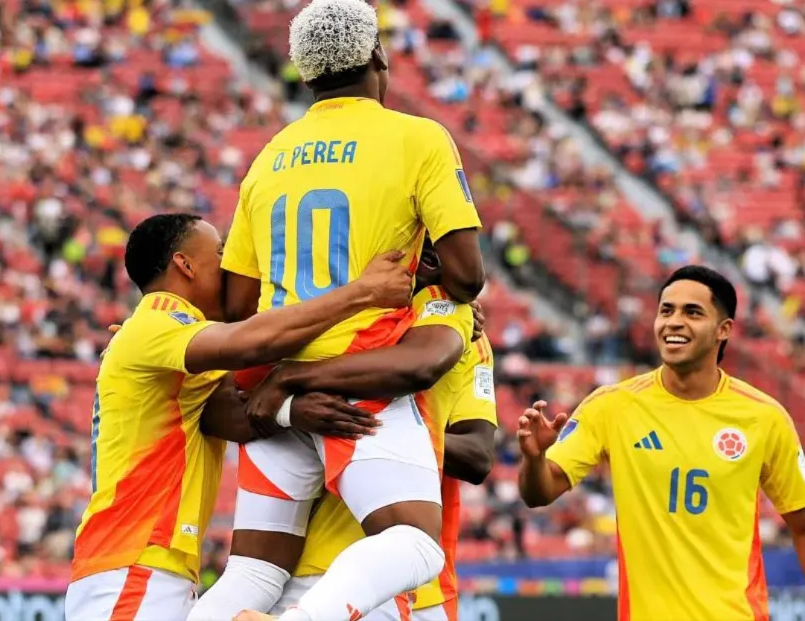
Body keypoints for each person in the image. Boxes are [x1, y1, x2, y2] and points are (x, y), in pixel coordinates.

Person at [210, 0, 485, 617]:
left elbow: (234, 306)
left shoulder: (268, 157)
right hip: (364, 376)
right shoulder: (417, 137)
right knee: (415, 545)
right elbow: (468, 276)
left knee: (252, 574)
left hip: (274, 392)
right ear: (378, 56)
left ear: (306, 76)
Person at [65, 213, 411, 621]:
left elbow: (233, 412)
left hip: (145, 564)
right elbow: (251, 343)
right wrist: (361, 293)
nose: (230, 265)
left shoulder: (165, 336)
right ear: (185, 265)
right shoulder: (158, 319)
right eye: (220, 253)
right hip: (133, 562)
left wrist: (289, 410)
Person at [516, 265, 805, 621]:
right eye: (666, 310)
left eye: (692, 312)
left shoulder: (764, 417)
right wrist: (534, 460)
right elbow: (540, 492)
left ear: (724, 330)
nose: (674, 322)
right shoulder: (612, 405)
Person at [195, 243, 496, 621]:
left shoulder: (456, 329)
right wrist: (293, 410)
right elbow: (218, 411)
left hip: (402, 579)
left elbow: (478, 455)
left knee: (418, 548)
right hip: (308, 568)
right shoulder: (319, 318)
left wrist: (398, 433)